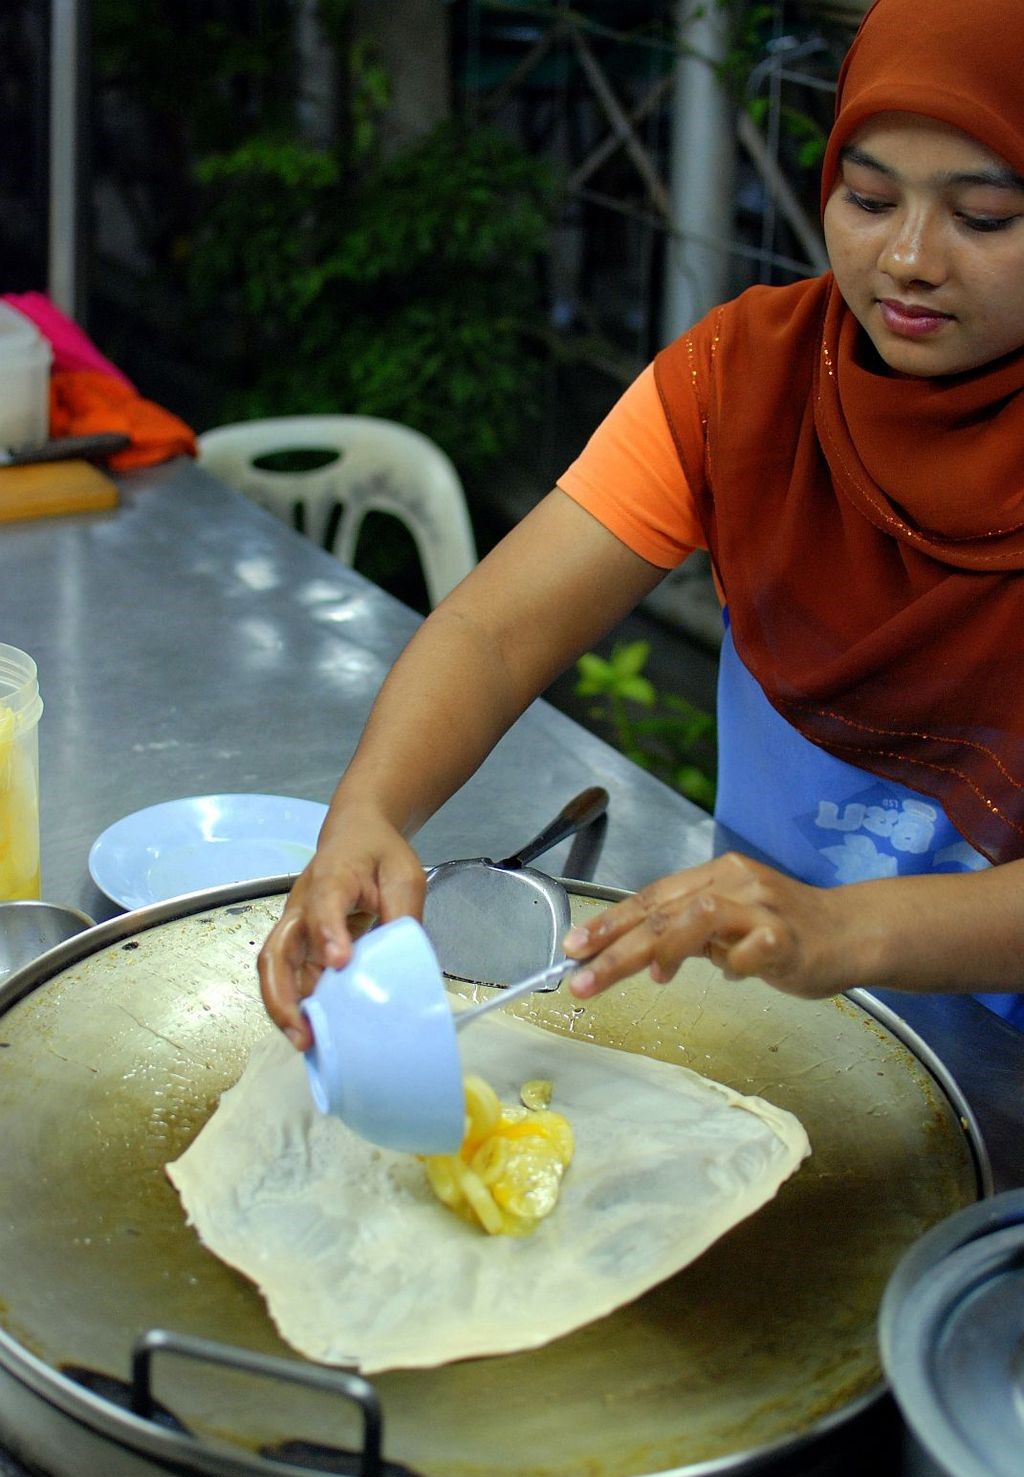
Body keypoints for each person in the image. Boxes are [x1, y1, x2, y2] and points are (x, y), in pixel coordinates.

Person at [259, 0, 1024, 1048]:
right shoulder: (745, 384)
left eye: (981, 216)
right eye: (867, 196)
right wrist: (364, 815)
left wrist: (840, 929)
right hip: (784, 1022)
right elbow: (493, 632)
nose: (906, 259)